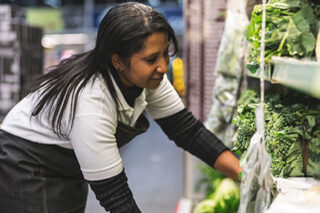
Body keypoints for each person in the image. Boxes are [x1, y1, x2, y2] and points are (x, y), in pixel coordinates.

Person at [0, 2, 242, 213]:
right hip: (27, 161)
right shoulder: (91, 102)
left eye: (165, 54)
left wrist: (244, 175)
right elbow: (116, 197)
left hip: (68, 161)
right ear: (118, 61)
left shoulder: (149, 78)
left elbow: (189, 132)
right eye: (150, 59)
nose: (162, 66)